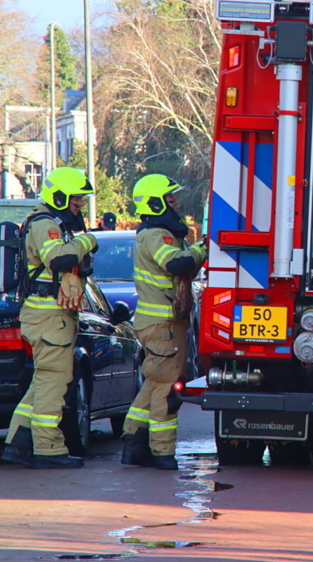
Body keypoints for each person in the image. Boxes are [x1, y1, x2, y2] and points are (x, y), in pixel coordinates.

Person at [1, 168, 99, 469]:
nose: (80, 205)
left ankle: (18, 444)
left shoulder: (50, 222)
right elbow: (58, 258)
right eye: (76, 199)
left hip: (47, 315)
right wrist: (87, 241)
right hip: (49, 316)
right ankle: (48, 448)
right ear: (58, 197)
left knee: (42, 383)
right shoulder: (45, 224)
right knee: (54, 383)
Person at [121, 174, 206, 471]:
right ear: (155, 203)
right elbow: (177, 263)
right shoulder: (157, 234)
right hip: (163, 325)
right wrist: (203, 248)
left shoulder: (157, 232)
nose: (175, 202)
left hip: (160, 324)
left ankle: (134, 445)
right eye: (170, 198)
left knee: (154, 384)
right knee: (167, 391)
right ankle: (161, 452)